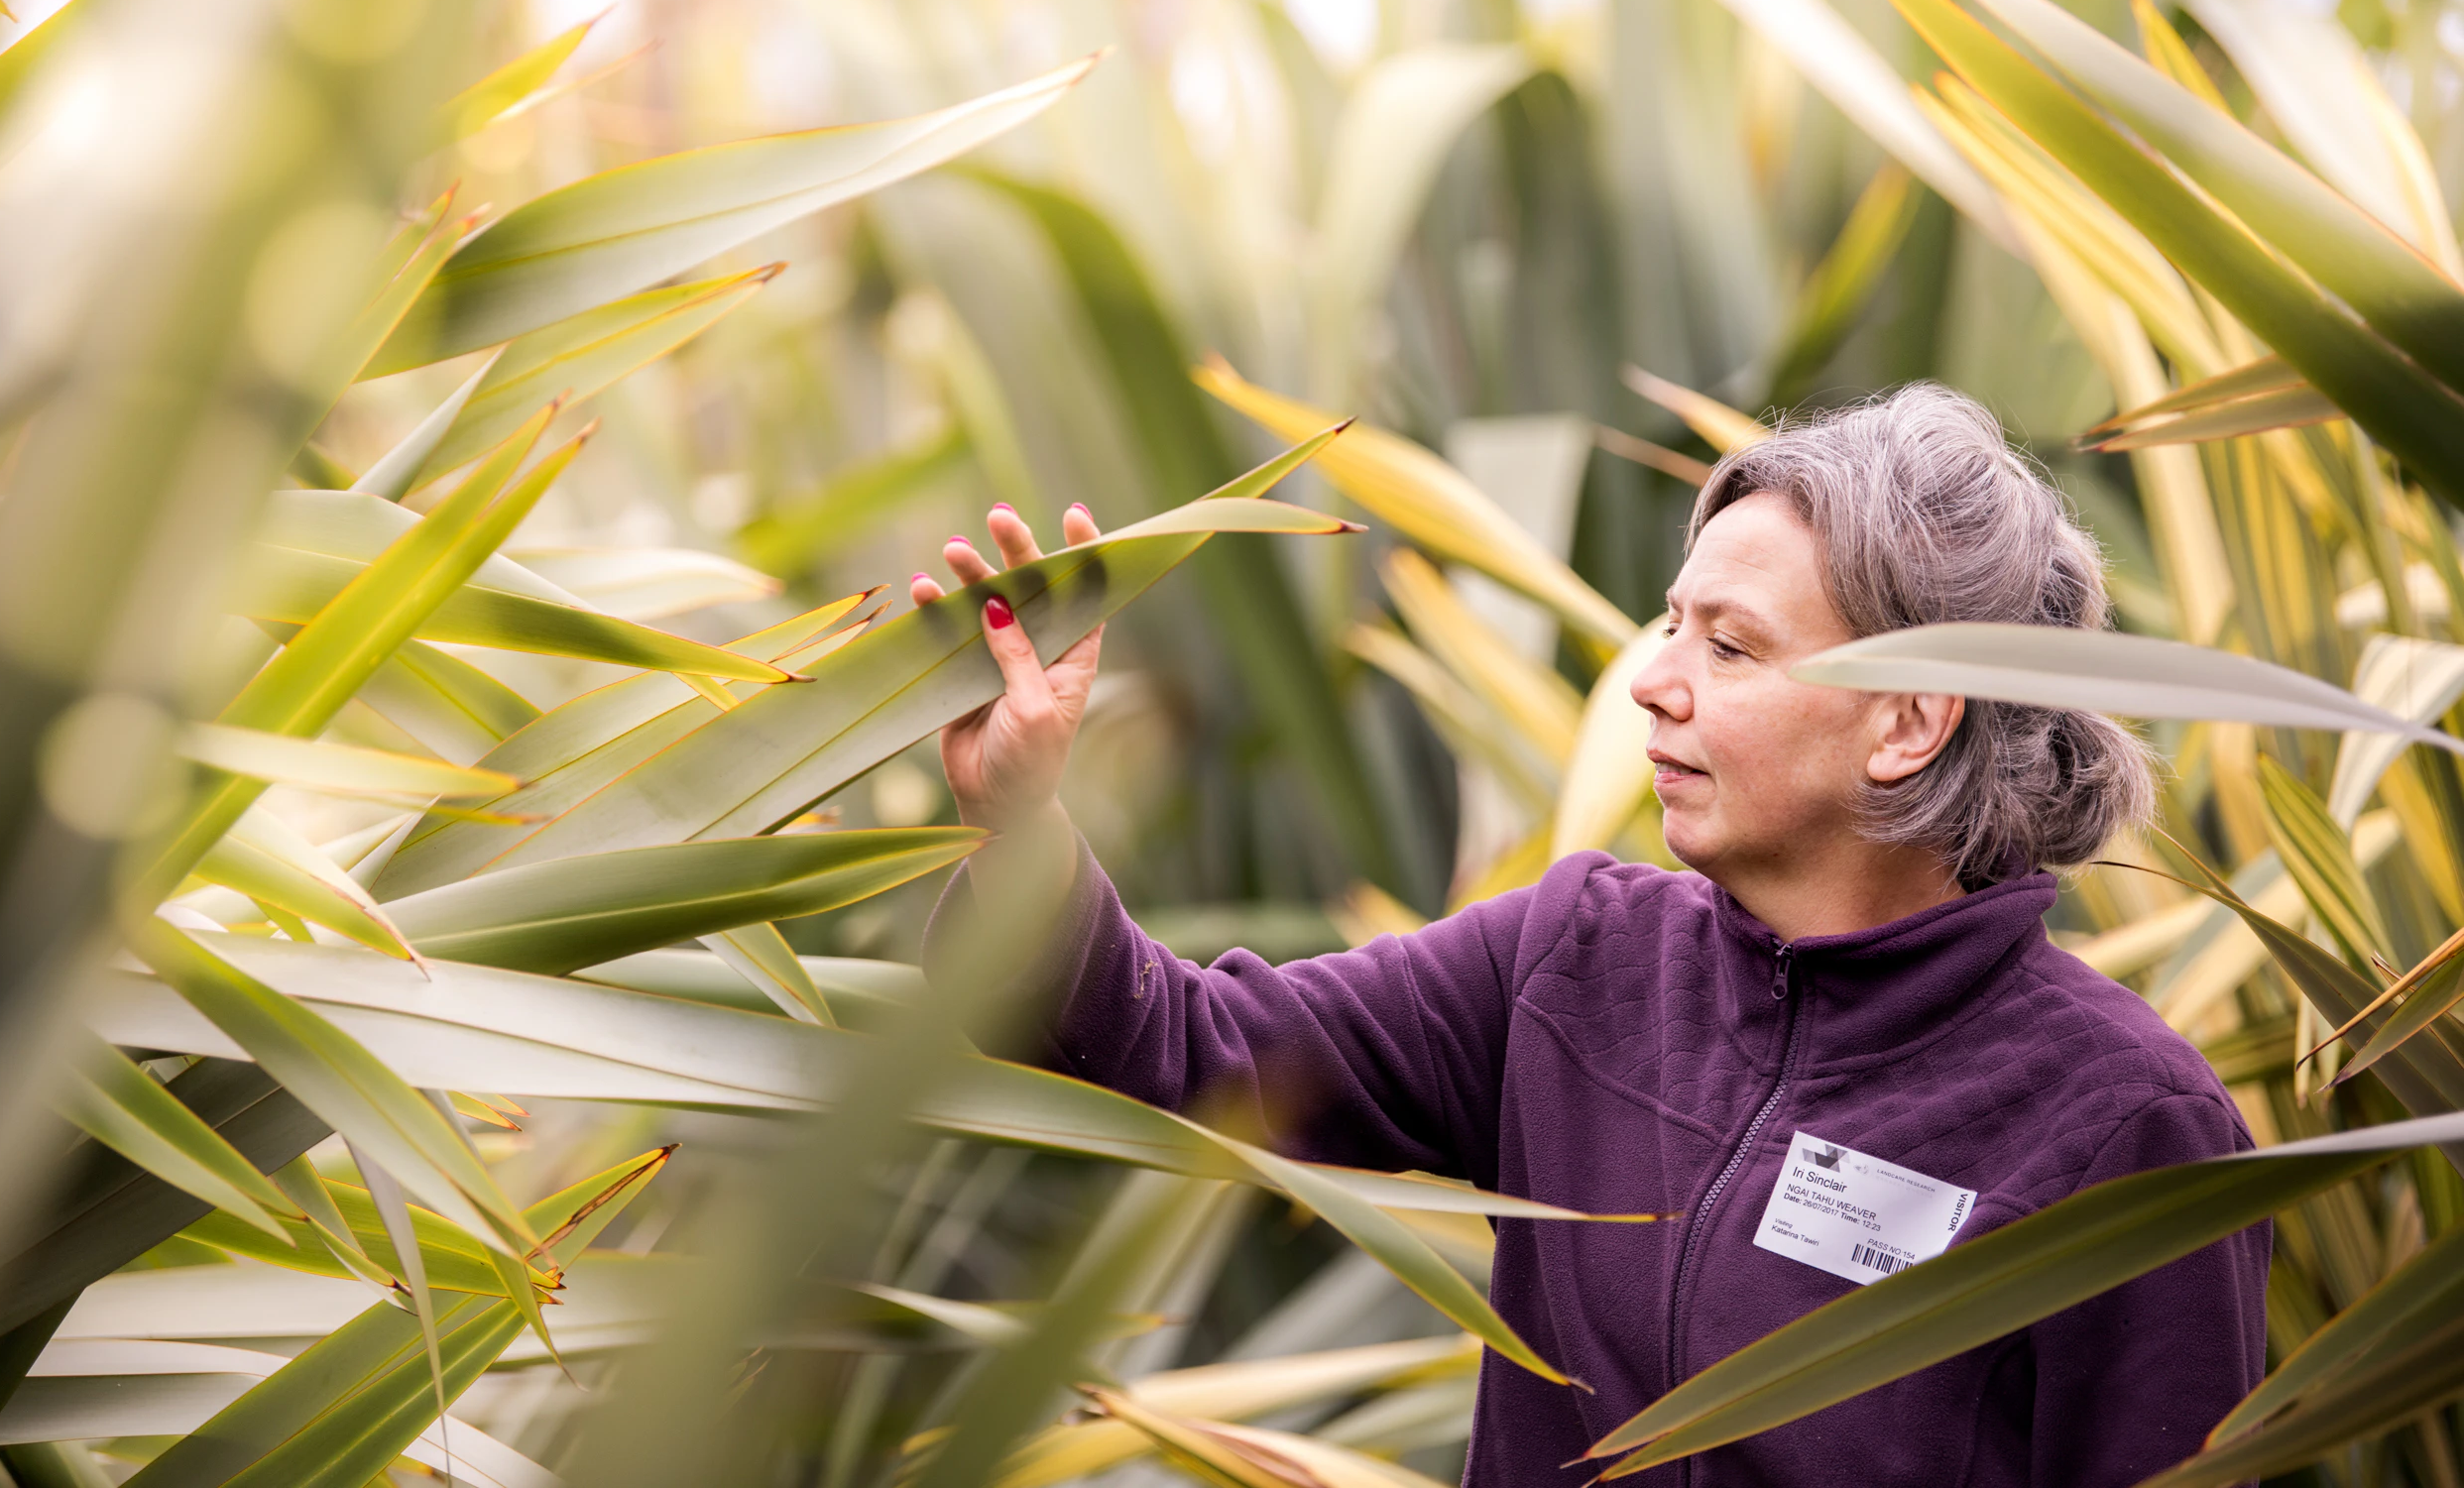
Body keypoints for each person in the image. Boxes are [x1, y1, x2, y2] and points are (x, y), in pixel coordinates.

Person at [911, 385, 2268, 1487]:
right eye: (1669, 624)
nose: (1654, 684)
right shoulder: (1575, 961)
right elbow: (1183, 1051)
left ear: (1908, 718)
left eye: (1730, 649)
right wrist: (1019, 821)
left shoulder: (2128, 1133)